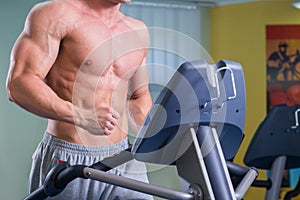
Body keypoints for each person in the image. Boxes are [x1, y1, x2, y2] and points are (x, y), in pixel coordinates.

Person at [6, 0, 153, 199]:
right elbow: (19, 83)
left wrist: (156, 133)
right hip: (69, 159)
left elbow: (138, 96)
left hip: (124, 158)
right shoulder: (56, 14)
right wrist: (81, 116)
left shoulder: (137, 30)